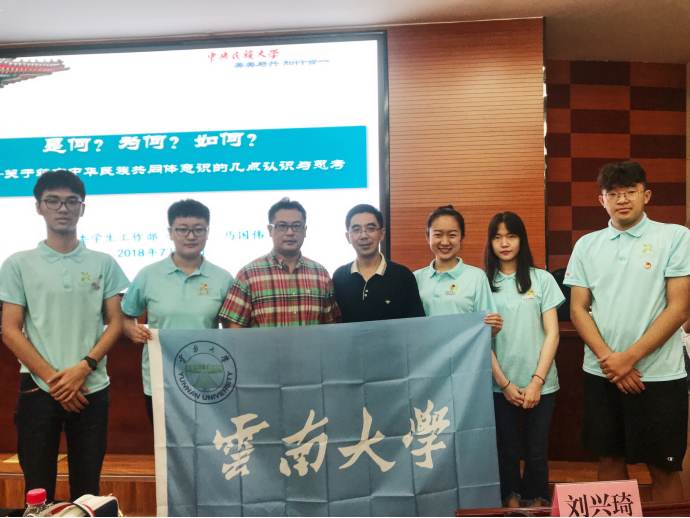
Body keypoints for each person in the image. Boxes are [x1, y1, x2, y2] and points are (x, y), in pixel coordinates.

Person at [0, 170, 130, 503]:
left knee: (88, 492)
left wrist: (83, 369)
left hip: (91, 388)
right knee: (37, 491)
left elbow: (116, 323)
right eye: (53, 201)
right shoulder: (17, 263)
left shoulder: (104, 262)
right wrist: (55, 381)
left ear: (82, 208)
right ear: (39, 207)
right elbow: (10, 329)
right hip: (38, 389)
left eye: (72, 201)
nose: (63, 208)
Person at [565, 161, 690, 502]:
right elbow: (578, 309)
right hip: (602, 373)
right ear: (601, 200)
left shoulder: (675, 236)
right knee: (609, 459)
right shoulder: (586, 245)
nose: (622, 199)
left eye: (630, 191)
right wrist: (612, 361)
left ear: (645, 195)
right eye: (613, 193)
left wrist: (628, 359)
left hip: (659, 376)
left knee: (663, 468)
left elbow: (679, 308)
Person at [121, 199, 233, 425]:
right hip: (161, 379)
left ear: (207, 232)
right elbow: (126, 315)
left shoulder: (223, 278)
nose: (191, 236)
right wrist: (131, 330)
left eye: (198, 229)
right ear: (170, 232)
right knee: (167, 443)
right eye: (182, 229)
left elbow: (232, 330)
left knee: (209, 442)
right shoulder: (148, 275)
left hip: (209, 380)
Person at [484, 212, 564, 508]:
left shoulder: (542, 279)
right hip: (498, 383)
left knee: (536, 452)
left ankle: (536, 503)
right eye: (497, 237)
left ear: (522, 240)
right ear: (490, 242)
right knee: (506, 451)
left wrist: (537, 381)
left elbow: (553, 334)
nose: (504, 243)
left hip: (540, 383)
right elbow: (480, 339)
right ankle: (511, 504)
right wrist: (504, 383)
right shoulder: (483, 282)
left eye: (511, 236)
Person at [220, 197, 341, 328]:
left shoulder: (320, 274)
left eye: (296, 226)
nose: (290, 232)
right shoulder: (248, 275)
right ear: (270, 230)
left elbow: (331, 327)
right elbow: (233, 329)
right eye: (282, 226)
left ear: (305, 230)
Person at [413, 205, 503, 337]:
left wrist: (493, 329)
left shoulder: (477, 277)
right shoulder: (415, 278)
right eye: (438, 235)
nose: (445, 242)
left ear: (462, 238)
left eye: (452, 235)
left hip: (464, 351)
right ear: (427, 237)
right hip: (426, 350)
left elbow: (486, 328)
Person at [332, 204, 425, 323]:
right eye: (356, 230)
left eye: (370, 228)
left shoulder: (403, 275)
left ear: (382, 233)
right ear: (348, 237)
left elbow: (416, 323)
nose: (363, 236)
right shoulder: (339, 276)